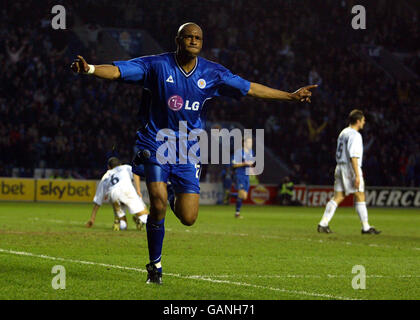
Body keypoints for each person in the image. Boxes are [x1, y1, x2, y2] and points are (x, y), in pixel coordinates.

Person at [71, 22, 317, 284]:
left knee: (188, 217)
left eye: (197, 37)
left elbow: (250, 88)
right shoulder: (156, 65)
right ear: (178, 40)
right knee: (157, 201)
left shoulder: (213, 72)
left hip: (188, 150)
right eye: (187, 36)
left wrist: (290, 97)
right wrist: (91, 69)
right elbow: (119, 71)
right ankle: (155, 265)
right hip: (155, 142)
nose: (193, 40)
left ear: (202, 42)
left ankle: (174, 192)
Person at [317, 110, 381, 235]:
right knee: (360, 195)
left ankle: (323, 223)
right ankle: (366, 227)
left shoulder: (343, 132)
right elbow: (354, 156)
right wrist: (357, 175)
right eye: (363, 120)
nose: (364, 122)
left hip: (339, 166)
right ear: (358, 121)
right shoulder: (355, 135)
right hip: (350, 168)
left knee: (338, 197)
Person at [86, 157, 149, 230]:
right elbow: (135, 173)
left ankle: (120, 222)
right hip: (126, 190)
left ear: (109, 167)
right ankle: (141, 220)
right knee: (145, 215)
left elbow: (98, 200)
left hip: (113, 194)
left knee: (123, 222)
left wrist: (92, 218)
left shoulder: (106, 176)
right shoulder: (125, 167)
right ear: (120, 164)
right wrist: (138, 190)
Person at [231, 136, 255, 218]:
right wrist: (244, 163)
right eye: (249, 142)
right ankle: (237, 213)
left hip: (247, 176)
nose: (250, 144)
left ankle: (230, 195)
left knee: (244, 197)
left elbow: (251, 163)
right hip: (240, 175)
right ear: (244, 143)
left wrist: (251, 168)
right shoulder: (238, 152)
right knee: (242, 195)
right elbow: (234, 165)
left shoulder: (251, 151)